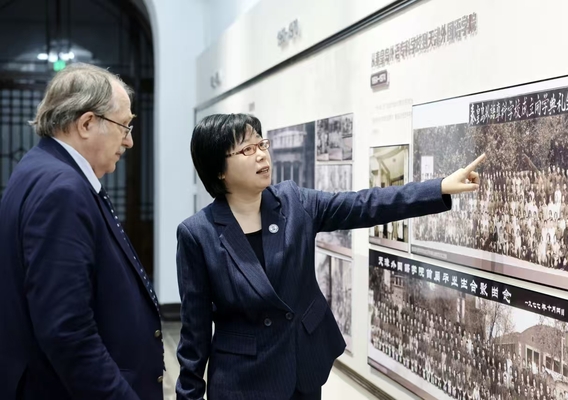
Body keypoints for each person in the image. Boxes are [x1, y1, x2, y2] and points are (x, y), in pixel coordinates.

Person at [175, 113, 485, 400]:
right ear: (219, 169)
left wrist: (439, 188)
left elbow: (364, 204)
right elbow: (194, 332)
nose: (261, 155)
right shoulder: (198, 234)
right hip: (244, 379)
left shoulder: (293, 203)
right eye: (247, 149)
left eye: (261, 144)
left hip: (302, 365)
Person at [0, 63, 164, 400]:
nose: (130, 141)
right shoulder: (62, 189)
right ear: (87, 123)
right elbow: (67, 331)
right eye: (124, 126)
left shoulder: (37, 167)